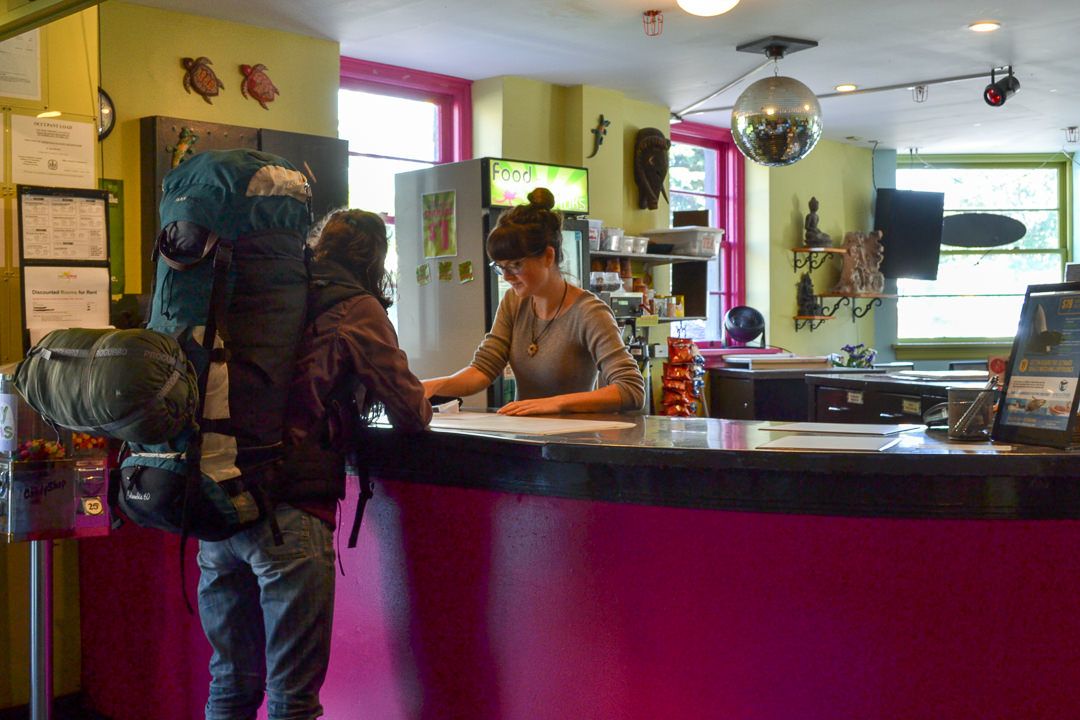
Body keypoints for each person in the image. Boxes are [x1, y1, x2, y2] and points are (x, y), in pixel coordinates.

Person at [196, 210, 431, 720]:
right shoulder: (355, 305)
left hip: (218, 502)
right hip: (291, 511)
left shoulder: (265, 294)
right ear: (375, 257)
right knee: (292, 699)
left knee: (231, 683)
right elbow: (411, 413)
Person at [422, 187, 645, 415]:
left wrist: (556, 403)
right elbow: (482, 370)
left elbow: (631, 390)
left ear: (548, 256)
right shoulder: (513, 302)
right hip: (526, 438)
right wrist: (431, 386)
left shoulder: (589, 312)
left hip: (574, 443)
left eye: (516, 265)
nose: (507, 277)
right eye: (501, 267)